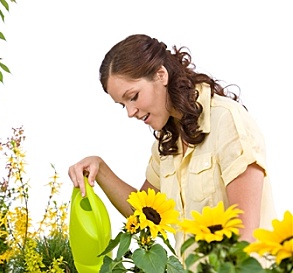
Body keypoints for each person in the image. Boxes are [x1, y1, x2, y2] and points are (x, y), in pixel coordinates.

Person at [68, 34, 276, 253]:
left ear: (161, 75)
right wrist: (100, 168)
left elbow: (246, 235)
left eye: (133, 96)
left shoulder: (227, 121)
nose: (130, 112)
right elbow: (142, 213)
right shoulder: (167, 144)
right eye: (123, 105)